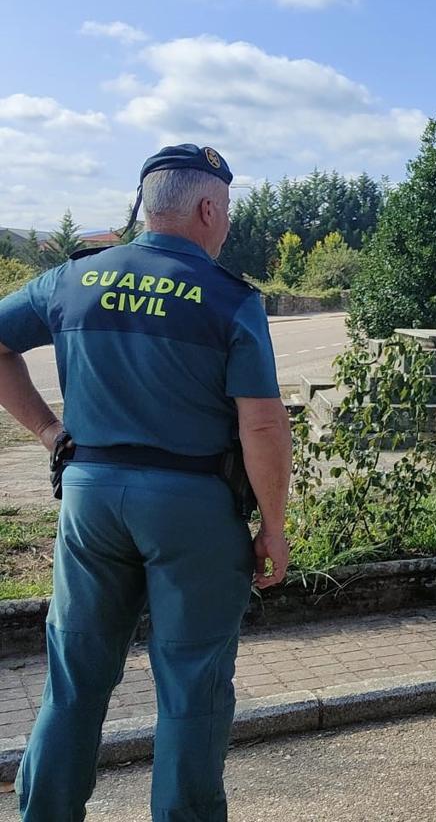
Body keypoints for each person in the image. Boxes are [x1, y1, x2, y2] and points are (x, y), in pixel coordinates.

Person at [0, 144, 293, 821]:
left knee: (75, 679)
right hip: (193, 507)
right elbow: (262, 429)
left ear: (145, 206)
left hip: (91, 499)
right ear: (206, 207)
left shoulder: (71, 280)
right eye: (226, 213)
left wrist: (49, 433)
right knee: (192, 687)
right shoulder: (230, 299)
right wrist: (273, 527)